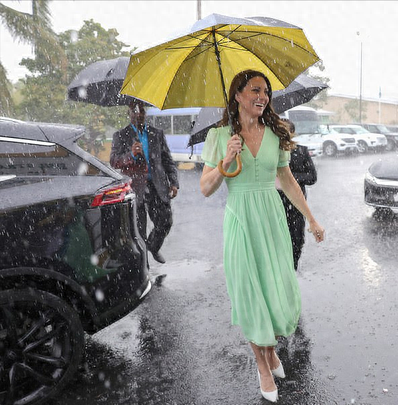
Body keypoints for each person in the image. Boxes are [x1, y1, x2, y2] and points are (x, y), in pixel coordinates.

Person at [199, 70, 325, 403]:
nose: (263, 96)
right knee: (251, 293)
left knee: (274, 289)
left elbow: (288, 181)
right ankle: (262, 364)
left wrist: (311, 219)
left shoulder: (274, 133)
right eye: (255, 90)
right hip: (241, 219)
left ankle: (270, 351)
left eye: (266, 91)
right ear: (237, 95)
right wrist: (226, 159)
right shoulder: (220, 136)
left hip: (271, 219)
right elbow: (205, 189)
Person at [110, 100, 179, 264]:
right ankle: (143, 266)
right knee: (138, 230)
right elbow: (114, 161)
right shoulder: (120, 135)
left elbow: (168, 160)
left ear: (145, 113)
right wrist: (131, 155)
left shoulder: (157, 133)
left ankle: (153, 247)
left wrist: (174, 182)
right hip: (135, 189)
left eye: (141, 111)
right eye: (134, 111)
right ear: (129, 113)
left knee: (165, 222)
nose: (138, 114)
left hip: (158, 187)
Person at [276, 118, 318, 271]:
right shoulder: (270, 152)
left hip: (296, 207)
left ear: (292, 133)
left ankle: (291, 272)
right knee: (276, 245)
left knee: (296, 242)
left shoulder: (301, 151)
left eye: (286, 131)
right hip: (274, 206)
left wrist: (289, 178)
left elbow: (312, 177)